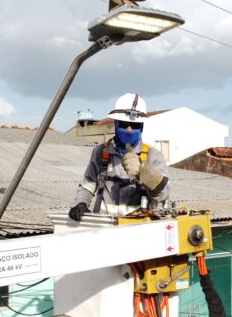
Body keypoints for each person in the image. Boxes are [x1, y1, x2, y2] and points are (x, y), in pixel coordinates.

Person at [68, 93, 170, 221]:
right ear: (116, 124)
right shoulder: (101, 152)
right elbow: (87, 186)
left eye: (134, 125)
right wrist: (81, 203)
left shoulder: (153, 156)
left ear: (142, 127)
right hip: (105, 226)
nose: (129, 129)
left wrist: (142, 172)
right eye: (124, 124)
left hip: (140, 226)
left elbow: (163, 194)